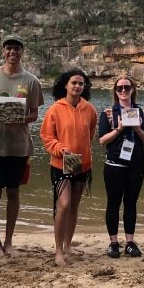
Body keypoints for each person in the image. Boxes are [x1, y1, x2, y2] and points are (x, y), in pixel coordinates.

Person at [0, 35, 44, 257]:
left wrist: (21, 118)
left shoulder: (31, 81)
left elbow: (34, 114)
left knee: (13, 192)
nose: (12, 52)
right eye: (8, 48)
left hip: (19, 146)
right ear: (2, 51)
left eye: (16, 48)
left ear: (22, 52)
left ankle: (9, 242)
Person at [41, 69, 97, 266]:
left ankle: (68, 245)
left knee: (74, 206)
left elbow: (89, 135)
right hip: (60, 164)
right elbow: (47, 137)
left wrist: (80, 151)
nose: (77, 86)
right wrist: (60, 148)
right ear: (65, 85)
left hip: (81, 164)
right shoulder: (55, 109)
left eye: (81, 84)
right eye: (74, 83)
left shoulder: (89, 109)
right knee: (63, 205)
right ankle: (58, 251)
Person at [98, 75, 144, 258]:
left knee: (131, 203)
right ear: (115, 91)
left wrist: (137, 128)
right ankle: (113, 243)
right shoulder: (107, 113)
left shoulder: (143, 112)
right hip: (114, 164)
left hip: (135, 164)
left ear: (133, 89)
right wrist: (119, 128)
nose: (123, 91)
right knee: (113, 203)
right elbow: (102, 141)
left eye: (127, 87)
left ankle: (129, 241)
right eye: (120, 88)